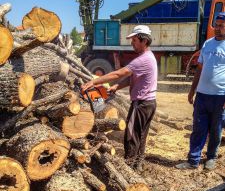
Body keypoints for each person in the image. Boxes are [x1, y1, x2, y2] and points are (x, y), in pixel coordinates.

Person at [81, 25, 158, 170]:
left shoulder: (143, 59)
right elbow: (132, 78)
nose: (132, 43)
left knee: (131, 137)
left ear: (144, 40)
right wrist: (117, 86)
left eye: (134, 40)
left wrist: (94, 81)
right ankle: (138, 165)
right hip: (149, 103)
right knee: (140, 136)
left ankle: (128, 169)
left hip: (141, 105)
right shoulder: (148, 57)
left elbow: (118, 74)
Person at [176, 12, 225, 171]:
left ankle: (211, 157)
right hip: (202, 95)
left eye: (221, 26)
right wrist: (192, 90)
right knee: (198, 127)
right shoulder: (207, 44)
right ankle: (193, 160)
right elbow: (199, 69)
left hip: (220, 96)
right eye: (216, 25)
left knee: (216, 129)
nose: (218, 28)